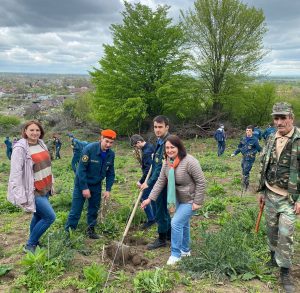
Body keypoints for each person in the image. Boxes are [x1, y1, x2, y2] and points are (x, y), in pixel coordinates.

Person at [141, 135, 205, 265]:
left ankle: (175, 254)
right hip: (177, 199)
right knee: (184, 224)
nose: (169, 150)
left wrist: (197, 202)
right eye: (167, 148)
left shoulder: (190, 161)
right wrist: (149, 199)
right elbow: (160, 181)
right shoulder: (167, 162)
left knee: (175, 223)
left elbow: (201, 182)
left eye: (172, 147)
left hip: (190, 199)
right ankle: (185, 251)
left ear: (179, 147)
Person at [257, 102, 300, 293]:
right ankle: (273, 258)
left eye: (283, 118)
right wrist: (262, 192)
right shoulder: (270, 138)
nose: (279, 122)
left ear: (292, 117)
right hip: (270, 193)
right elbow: (264, 164)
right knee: (272, 231)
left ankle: (285, 271)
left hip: (290, 199)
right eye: (276, 118)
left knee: (286, 234)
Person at [7, 120, 56, 253]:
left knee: (39, 216)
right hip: (33, 190)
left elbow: (46, 165)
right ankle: (30, 245)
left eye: (37, 130)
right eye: (32, 130)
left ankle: (34, 241)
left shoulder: (41, 144)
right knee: (50, 217)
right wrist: (20, 195)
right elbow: (15, 174)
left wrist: (52, 183)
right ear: (25, 132)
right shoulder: (20, 149)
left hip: (45, 187)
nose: (35, 133)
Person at [65, 129, 116, 239]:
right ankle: (68, 233)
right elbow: (81, 170)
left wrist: (108, 189)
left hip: (96, 185)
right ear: (101, 139)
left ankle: (91, 231)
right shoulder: (89, 149)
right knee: (76, 210)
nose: (108, 145)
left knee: (93, 209)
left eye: (111, 143)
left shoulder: (111, 154)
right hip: (82, 184)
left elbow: (111, 173)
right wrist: (84, 188)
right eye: (106, 141)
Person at [140, 115, 171, 250]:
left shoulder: (167, 143)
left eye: (160, 127)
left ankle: (162, 239)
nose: (157, 130)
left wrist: (150, 182)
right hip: (161, 181)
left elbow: (160, 168)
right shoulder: (159, 142)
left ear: (166, 127)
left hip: (164, 182)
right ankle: (169, 234)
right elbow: (156, 164)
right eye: (155, 127)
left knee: (160, 211)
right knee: (163, 210)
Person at [130, 134, 156, 229]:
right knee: (153, 196)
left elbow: (148, 169)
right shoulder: (149, 146)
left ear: (138, 142)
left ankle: (151, 219)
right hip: (154, 177)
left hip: (150, 178)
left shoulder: (147, 152)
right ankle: (155, 217)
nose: (136, 148)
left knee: (144, 197)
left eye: (135, 145)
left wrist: (141, 181)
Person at [231, 125, 262, 191]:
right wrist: (234, 153)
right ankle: (244, 180)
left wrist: (261, 154)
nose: (248, 132)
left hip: (250, 158)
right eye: (247, 130)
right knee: (243, 167)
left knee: (246, 170)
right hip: (244, 157)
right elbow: (239, 147)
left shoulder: (255, 140)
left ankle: (245, 185)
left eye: (249, 131)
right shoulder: (243, 138)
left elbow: (259, 149)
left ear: (252, 132)